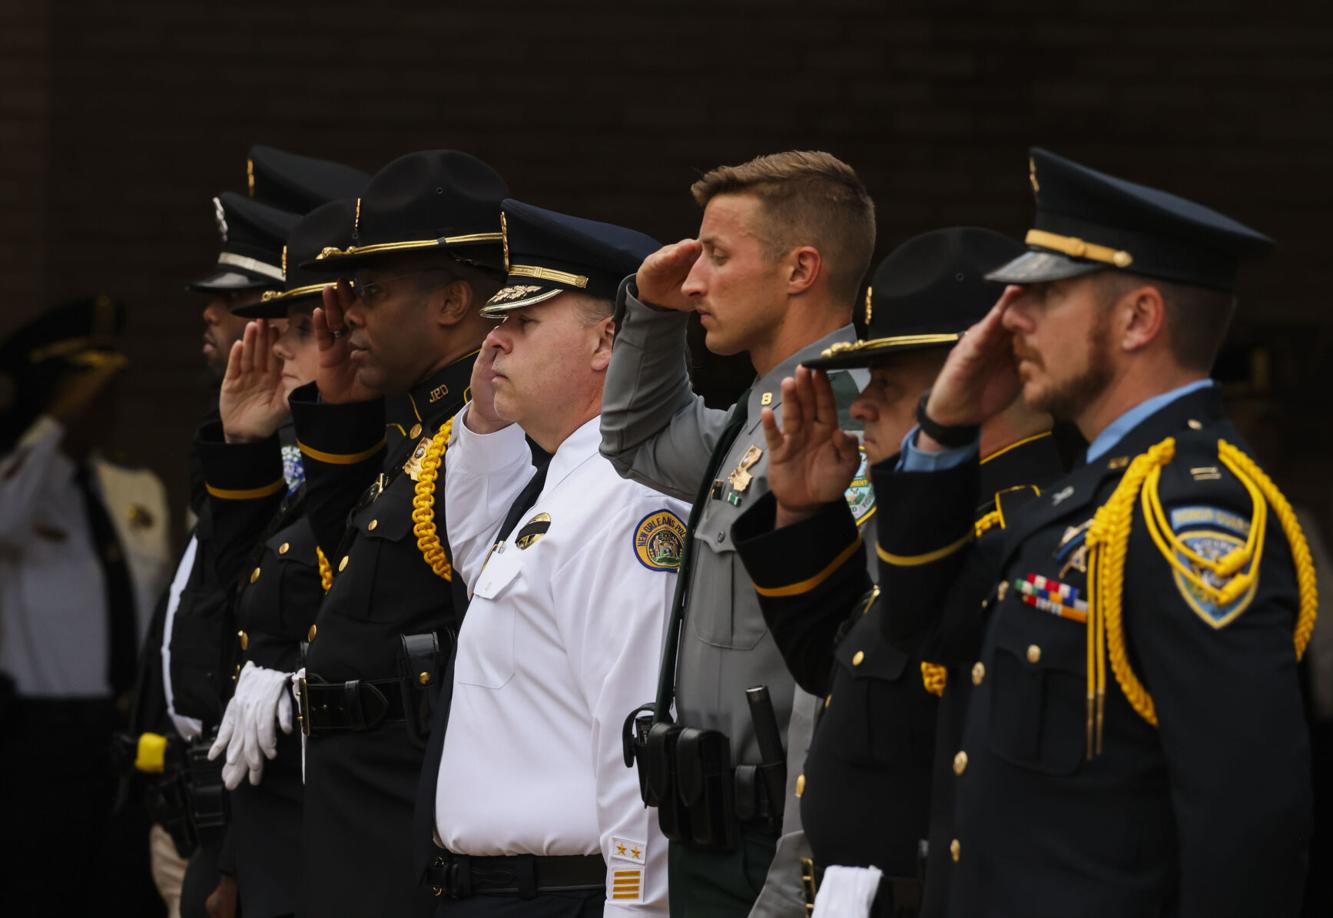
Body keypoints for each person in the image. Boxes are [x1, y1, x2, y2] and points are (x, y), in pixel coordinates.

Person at [871, 148, 1315, 916]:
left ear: (1138, 318)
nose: (1010, 318)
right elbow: (920, 625)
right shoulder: (1084, 495)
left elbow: (1242, 818)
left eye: (1045, 296)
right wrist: (941, 429)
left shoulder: (1188, 512)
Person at [729, 228, 1065, 917]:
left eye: (888, 381)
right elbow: (847, 677)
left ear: (982, 375)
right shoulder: (946, 523)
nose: (861, 406)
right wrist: (801, 513)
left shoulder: (1030, 534)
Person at [600, 150, 877, 916]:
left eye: (716, 257)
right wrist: (651, 313)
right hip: (710, 832)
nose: (693, 282)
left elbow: (835, 678)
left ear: (799, 270)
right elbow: (635, 440)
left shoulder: (846, 420)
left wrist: (796, 884)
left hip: (771, 849)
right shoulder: (765, 413)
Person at [414, 199, 683, 915]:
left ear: (607, 341)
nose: (491, 341)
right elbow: (484, 565)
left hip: (564, 893)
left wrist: (634, 908)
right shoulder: (566, 480)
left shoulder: (630, 502)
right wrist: (483, 423)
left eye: (521, 322)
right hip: (498, 891)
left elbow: (639, 740)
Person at [287, 149, 508, 918]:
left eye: (371, 291)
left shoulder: (489, 435)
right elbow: (347, 582)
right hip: (360, 809)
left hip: (409, 816)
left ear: (451, 301)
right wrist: (342, 414)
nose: (346, 312)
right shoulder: (417, 431)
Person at [194, 196, 365, 918]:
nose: (282, 345)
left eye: (303, 326)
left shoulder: (370, 465)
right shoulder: (305, 471)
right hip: (262, 816)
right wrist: (243, 449)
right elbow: (231, 597)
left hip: (318, 815)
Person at [0, 296, 172, 917]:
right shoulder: (19, 487)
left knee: (120, 894)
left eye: (111, 390)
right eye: (88, 393)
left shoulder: (137, 488)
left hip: (126, 735)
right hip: (38, 743)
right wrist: (51, 428)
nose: (104, 407)